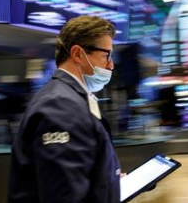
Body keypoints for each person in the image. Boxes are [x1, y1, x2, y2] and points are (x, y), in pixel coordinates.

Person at [7, 16, 121, 203]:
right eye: (106, 55)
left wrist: (108, 181)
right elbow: (64, 195)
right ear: (77, 54)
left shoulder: (72, 98)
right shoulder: (60, 106)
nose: (111, 64)